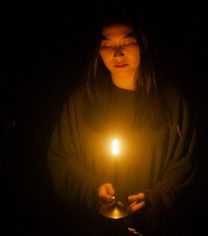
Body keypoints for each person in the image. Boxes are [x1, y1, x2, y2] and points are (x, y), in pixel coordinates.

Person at [47, 15, 198, 235]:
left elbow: (187, 161)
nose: (117, 54)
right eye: (108, 45)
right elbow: (61, 158)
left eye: (127, 43)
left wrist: (156, 198)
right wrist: (92, 188)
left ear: (142, 46)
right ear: (98, 52)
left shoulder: (170, 102)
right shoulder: (82, 102)